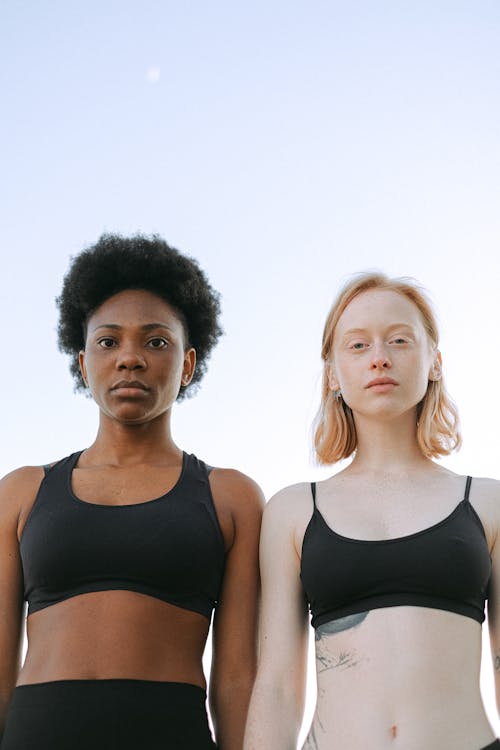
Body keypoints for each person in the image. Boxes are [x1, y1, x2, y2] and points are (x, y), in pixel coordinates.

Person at [0, 233, 264, 750]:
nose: (130, 358)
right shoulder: (23, 491)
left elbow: (236, 680)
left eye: (155, 341)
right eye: (108, 341)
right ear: (83, 364)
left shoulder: (232, 498)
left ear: (187, 365)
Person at [244, 272, 500, 750]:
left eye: (399, 339)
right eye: (358, 345)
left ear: (434, 363)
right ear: (333, 375)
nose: (379, 356)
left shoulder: (487, 503)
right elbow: (277, 687)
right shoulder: (294, 510)